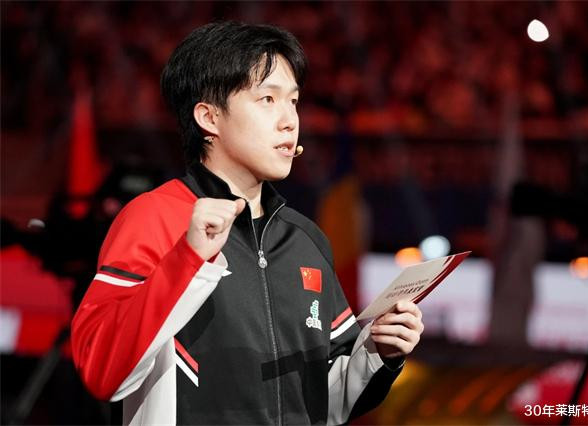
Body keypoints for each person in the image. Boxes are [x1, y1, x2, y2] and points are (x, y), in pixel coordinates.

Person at [71, 21, 424, 425]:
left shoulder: (305, 239)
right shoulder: (153, 217)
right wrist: (187, 260)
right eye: (267, 99)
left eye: (293, 101)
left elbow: (324, 402)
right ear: (209, 117)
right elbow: (100, 369)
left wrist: (379, 352)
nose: (289, 121)